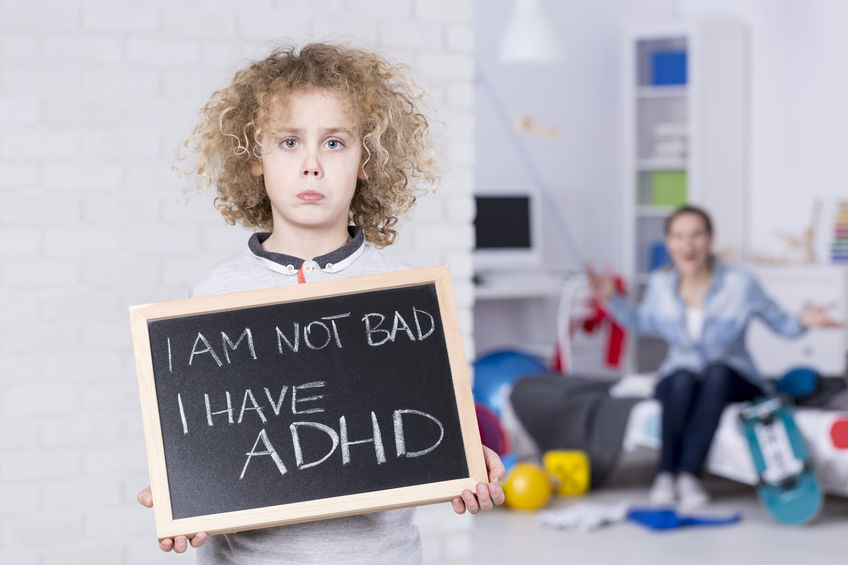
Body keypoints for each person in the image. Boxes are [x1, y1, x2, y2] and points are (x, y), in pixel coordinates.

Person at [136, 42, 505, 563]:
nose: (311, 165)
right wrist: (183, 497)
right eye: (288, 142)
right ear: (254, 162)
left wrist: (475, 459)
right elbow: (209, 443)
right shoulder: (214, 296)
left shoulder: (406, 298)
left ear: (367, 161)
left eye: (334, 143)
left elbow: (442, 424)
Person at [586, 205, 840, 509]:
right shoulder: (659, 285)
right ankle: (666, 473)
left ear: (709, 239)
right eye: (679, 236)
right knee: (680, 379)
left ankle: (689, 475)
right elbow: (641, 324)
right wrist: (611, 300)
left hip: (733, 377)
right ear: (669, 243)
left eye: (696, 235)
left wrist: (803, 319)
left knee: (716, 372)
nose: (688, 245)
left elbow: (782, 324)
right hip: (681, 377)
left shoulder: (740, 283)